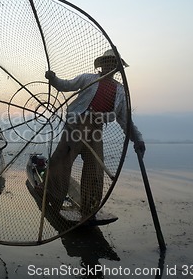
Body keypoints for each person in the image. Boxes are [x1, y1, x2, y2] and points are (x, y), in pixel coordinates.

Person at [44, 49, 145, 216]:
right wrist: (53, 79)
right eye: (106, 63)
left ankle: (89, 206)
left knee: (95, 167)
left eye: (113, 64)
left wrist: (137, 139)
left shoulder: (119, 91)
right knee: (62, 158)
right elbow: (66, 85)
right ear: (101, 65)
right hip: (77, 125)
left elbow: (125, 120)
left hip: (96, 129)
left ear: (117, 68)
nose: (109, 66)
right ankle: (52, 197)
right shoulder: (88, 79)